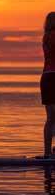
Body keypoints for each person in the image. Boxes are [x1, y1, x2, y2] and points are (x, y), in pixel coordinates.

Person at [41, 12, 55, 157]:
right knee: (52, 118)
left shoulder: (45, 37)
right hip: (53, 77)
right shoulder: (53, 36)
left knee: (51, 118)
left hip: (46, 77)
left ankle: (47, 152)